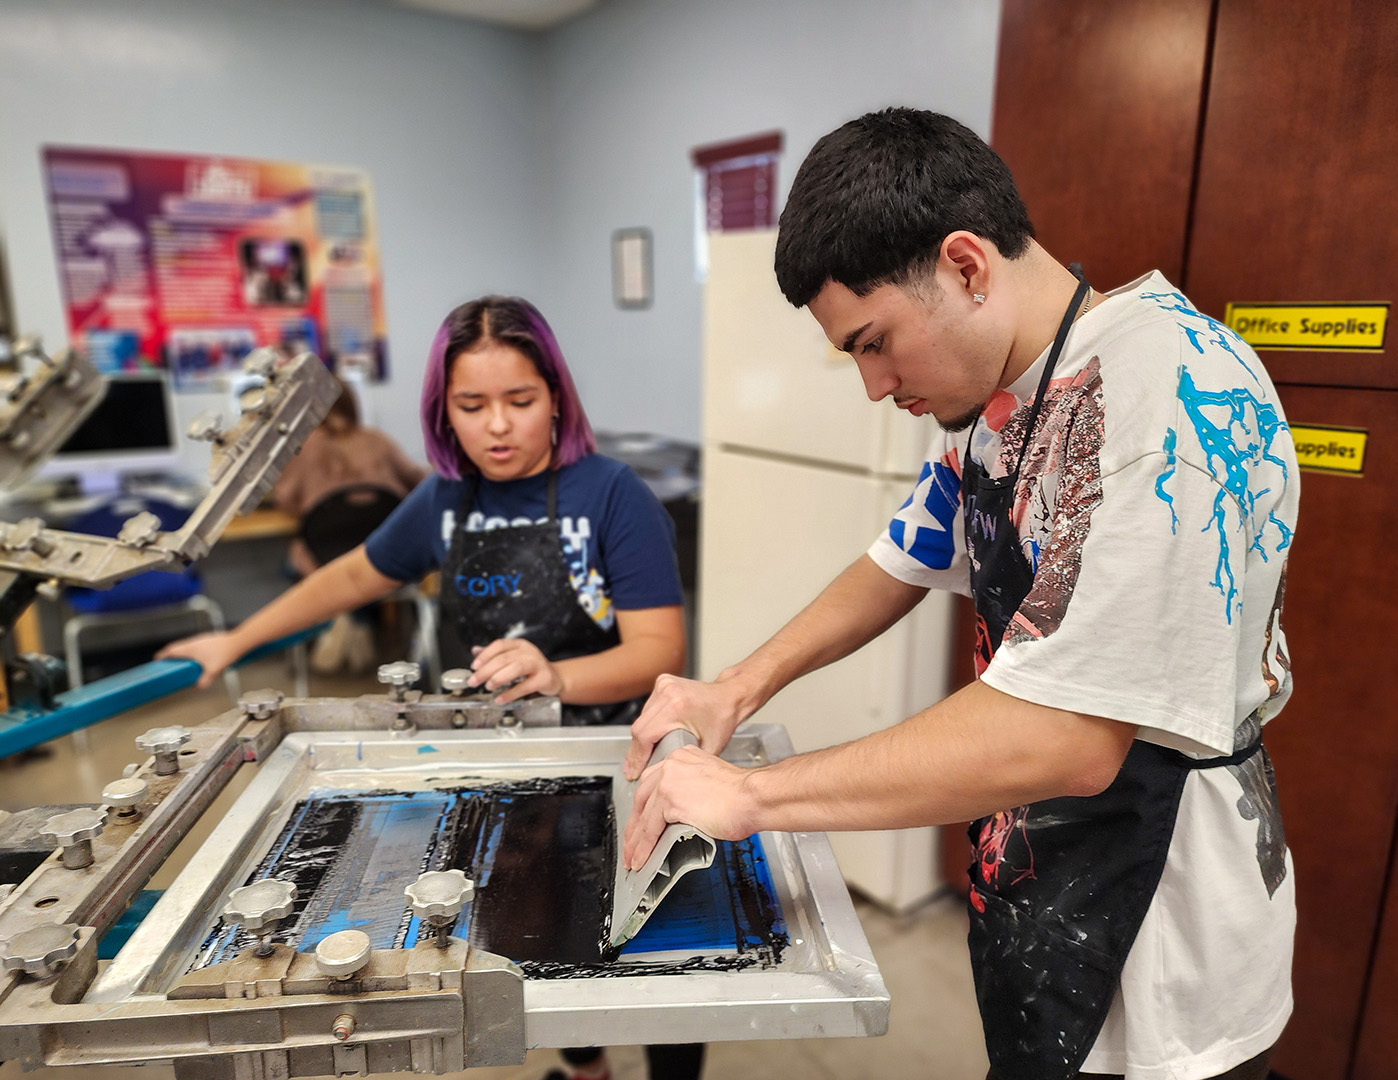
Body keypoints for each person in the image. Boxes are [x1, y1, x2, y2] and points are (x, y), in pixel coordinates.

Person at [621, 108, 1297, 1080]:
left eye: (874, 341)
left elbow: (1064, 738)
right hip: (1044, 882)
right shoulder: (1006, 402)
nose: (869, 384)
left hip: (1165, 960)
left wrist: (753, 796)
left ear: (968, 266)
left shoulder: (1162, 398)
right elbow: (903, 556)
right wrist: (734, 687)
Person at [161, 296, 700, 1080]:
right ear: (443, 412)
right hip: (508, 778)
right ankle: (589, 1072)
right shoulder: (447, 502)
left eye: (520, 401)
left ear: (557, 396)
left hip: (622, 768)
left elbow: (659, 648)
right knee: (539, 938)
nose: (498, 427)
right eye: (472, 405)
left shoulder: (612, 495)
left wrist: (556, 674)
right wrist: (238, 638)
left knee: (664, 963)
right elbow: (351, 575)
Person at [268, 381, 428, 673]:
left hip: (324, 557)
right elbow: (419, 481)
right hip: (386, 555)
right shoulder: (378, 440)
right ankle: (360, 625)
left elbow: (286, 499)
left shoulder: (303, 448)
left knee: (290, 565)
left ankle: (333, 623)